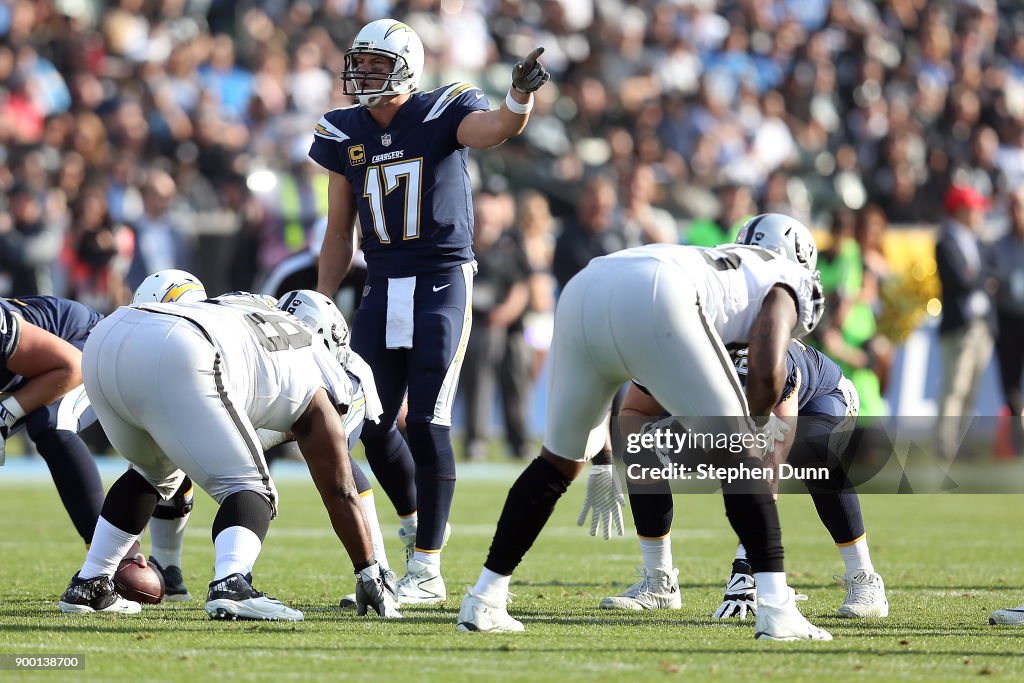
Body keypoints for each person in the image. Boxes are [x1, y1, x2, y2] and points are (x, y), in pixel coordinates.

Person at [456, 214, 832, 641]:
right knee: (743, 457)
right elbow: (766, 369)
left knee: (557, 462)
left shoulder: (711, 261)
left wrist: (601, 461)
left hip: (588, 284)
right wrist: (750, 431)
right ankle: (777, 609)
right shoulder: (789, 278)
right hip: (657, 291)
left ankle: (485, 597)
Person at [310, 18, 549, 604]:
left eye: (374, 64)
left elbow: (494, 129)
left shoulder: (442, 108)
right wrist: (319, 298)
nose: (361, 73)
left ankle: (427, 570)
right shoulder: (345, 130)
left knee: (428, 420)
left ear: (406, 68)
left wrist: (519, 96)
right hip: (383, 279)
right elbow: (340, 232)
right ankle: (418, 525)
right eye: (359, 62)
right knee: (369, 421)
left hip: (441, 278)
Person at [57, 291, 400, 620]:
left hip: (112, 334)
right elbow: (339, 488)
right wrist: (369, 569)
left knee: (154, 470)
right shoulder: (323, 367)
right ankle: (231, 583)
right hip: (183, 347)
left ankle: (91, 583)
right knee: (252, 486)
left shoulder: (251, 309)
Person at [597, 340, 888, 620]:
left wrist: (747, 566)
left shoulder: (756, 356)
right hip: (735, 415)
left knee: (812, 453)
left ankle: (863, 577)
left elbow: (772, 461)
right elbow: (634, 412)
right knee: (643, 449)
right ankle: (659, 583)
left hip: (821, 398)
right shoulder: (661, 349)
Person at [934, 184, 996, 461]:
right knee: (955, 387)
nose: (979, 213)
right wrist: (981, 279)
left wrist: (978, 277)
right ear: (960, 210)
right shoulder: (946, 241)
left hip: (982, 324)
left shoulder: (978, 241)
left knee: (971, 388)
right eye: (974, 208)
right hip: (961, 325)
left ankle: (960, 442)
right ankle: (945, 443)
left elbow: (991, 274)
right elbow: (962, 279)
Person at [991, 189, 1024, 454]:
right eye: (1012, 207)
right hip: (1008, 319)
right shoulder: (999, 245)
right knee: (1010, 382)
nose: (1016, 213)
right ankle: (1017, 439)